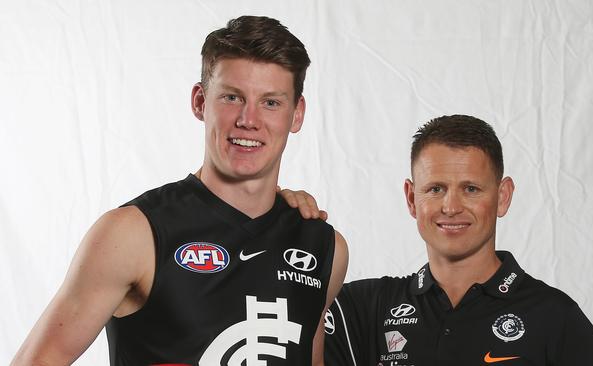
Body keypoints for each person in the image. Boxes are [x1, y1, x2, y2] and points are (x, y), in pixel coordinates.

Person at [12, 15, 348, 366]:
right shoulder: (131, 234)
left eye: (271, 102)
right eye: (232, 97)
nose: (249, 119)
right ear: (200, 102)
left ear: (297, 115)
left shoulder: (324, 248)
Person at [323, 115, 593, 365]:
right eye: (436, 189)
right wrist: (287, 214)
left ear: (503, 197)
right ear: (412, 199)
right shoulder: (362, 309)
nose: (451, 207)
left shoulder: (553, 315)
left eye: (471, 189)